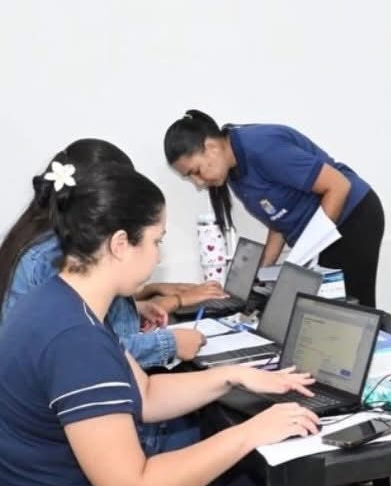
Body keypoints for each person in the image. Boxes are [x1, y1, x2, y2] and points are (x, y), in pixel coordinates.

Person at [0, 160, 319, 486]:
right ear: (119, 244)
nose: (158, 256)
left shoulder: (60, 302)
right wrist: (249, 432)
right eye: (156, 241)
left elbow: (144, 395)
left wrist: (232, 377)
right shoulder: (73, 341)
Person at [0, 139, 225, 367]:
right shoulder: (53, 257)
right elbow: (88, 353)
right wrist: (170, 344)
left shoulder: (51, 243)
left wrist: (133, 310)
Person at [164, 110, 385, 307]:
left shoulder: (262, 147)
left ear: (211, 147)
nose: (199, 183)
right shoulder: (234, 170)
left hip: (351, 217)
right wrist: (259, 275)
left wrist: (303, 255)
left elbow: (338, 185)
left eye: (196, 171)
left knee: (352, 312)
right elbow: (279, 218)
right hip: (325, 231)